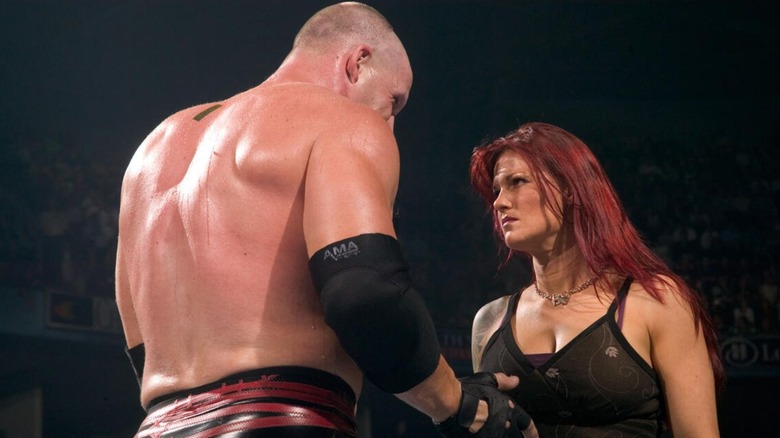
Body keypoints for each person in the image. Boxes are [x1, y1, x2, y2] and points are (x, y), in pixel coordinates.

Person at [115, 2, 535, 437]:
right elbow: (363, 293)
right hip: (281, 418)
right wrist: (456, 402)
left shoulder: (153, 150)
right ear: (357, 62)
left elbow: (142, 346)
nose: (389, 126)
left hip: (157, 426)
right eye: (394, 101)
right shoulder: (342, 119)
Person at [468, 122, 724, 437]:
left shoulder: (657, 302)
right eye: (496, 190)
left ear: (570, 189)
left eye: (517, 182)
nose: (499, 202)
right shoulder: (489, 322)